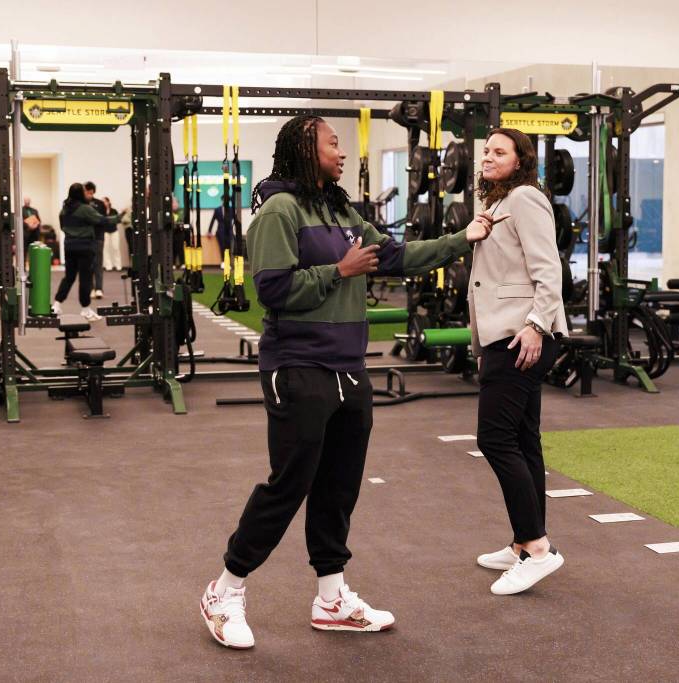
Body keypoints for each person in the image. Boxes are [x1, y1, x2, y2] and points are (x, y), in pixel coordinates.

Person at [200, 115, 499, 650]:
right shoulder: (278, 211)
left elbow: (396, 257)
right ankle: (225, 590)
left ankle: (332, 598)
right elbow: (269, 290)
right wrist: (339, 271)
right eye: (333, 143)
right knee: (289, 484)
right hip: (298, 367)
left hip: (348, 368)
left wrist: (463, 237)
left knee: (339, 487)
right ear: (304, 150)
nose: (341, 151)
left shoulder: (342, 210)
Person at [468, 128, 568, 595]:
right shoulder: (496, 202)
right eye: (487, 151)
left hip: (520, 335)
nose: (489, 157)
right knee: (525, 441)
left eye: (499, 152)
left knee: (494, 438)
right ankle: (523, 545)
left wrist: (535, 323)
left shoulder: (526, 198)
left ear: (520, 159)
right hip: (507, 333)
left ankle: (538, 547)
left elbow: (549, 269)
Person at [53, 183, 120, 321]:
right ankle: (85, 310)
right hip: (85, 247)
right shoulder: (85, 209)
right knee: (85, 278)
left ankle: (56, 305)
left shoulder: (64, 210)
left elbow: (62, 227)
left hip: (69, 247)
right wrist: (121, 217)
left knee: (69, 277)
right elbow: (103, 221)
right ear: (80, 194)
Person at [84, 181, 108, 299]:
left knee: (98, 264)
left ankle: (99, 288)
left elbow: (103, 220)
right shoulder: (81, 204)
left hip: (98, 237)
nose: (88, 194)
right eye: (86, 192)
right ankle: (90, 288)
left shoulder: (100, 204)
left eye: (90, 192)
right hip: (85, 238)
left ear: (93, 192)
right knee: (88, 264)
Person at [102, 196, 123, 272]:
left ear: (108, 202)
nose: (104, 203)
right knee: (105, 249)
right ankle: (108, 266)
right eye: (102, 202)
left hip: (114, 231)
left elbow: (118, 220)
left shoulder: (114, 211)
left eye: (105, 201)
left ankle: (118, 265)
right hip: (105, 231)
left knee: (116, 248)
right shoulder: (101, 211)